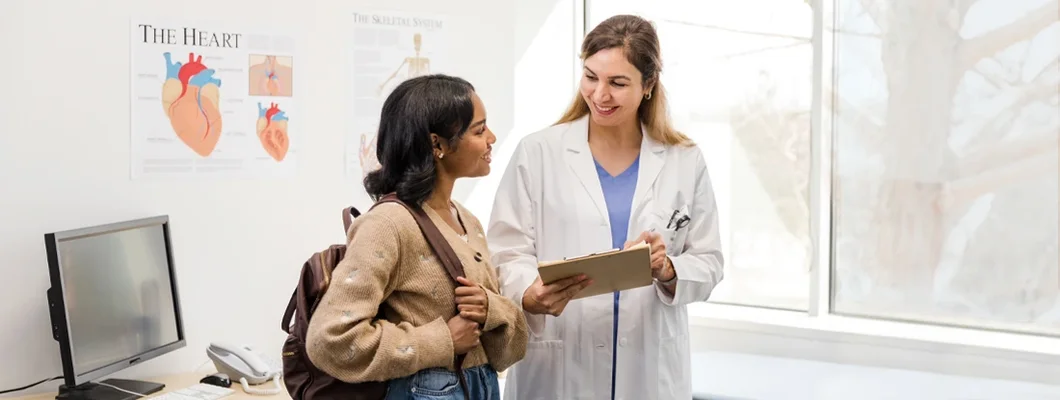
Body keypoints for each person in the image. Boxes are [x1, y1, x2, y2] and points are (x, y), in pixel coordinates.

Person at [487, 14, 724, 400]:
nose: (600, 95)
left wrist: (668, 269)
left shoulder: (684, 160)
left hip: (649, 370)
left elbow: (710, 261)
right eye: (591, 76)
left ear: (648, 85)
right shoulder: (539, 152)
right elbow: (505, 249)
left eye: (617, 83)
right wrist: (529, 293)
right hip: (560, 365)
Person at [305, 74, 528, 399]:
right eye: (479, 130)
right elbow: (330, 339)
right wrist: (441, 342)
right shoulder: (388, 224)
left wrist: (491, 308)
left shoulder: (469, 221)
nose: (492, 137)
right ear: (437, 144)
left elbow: (505, 354)